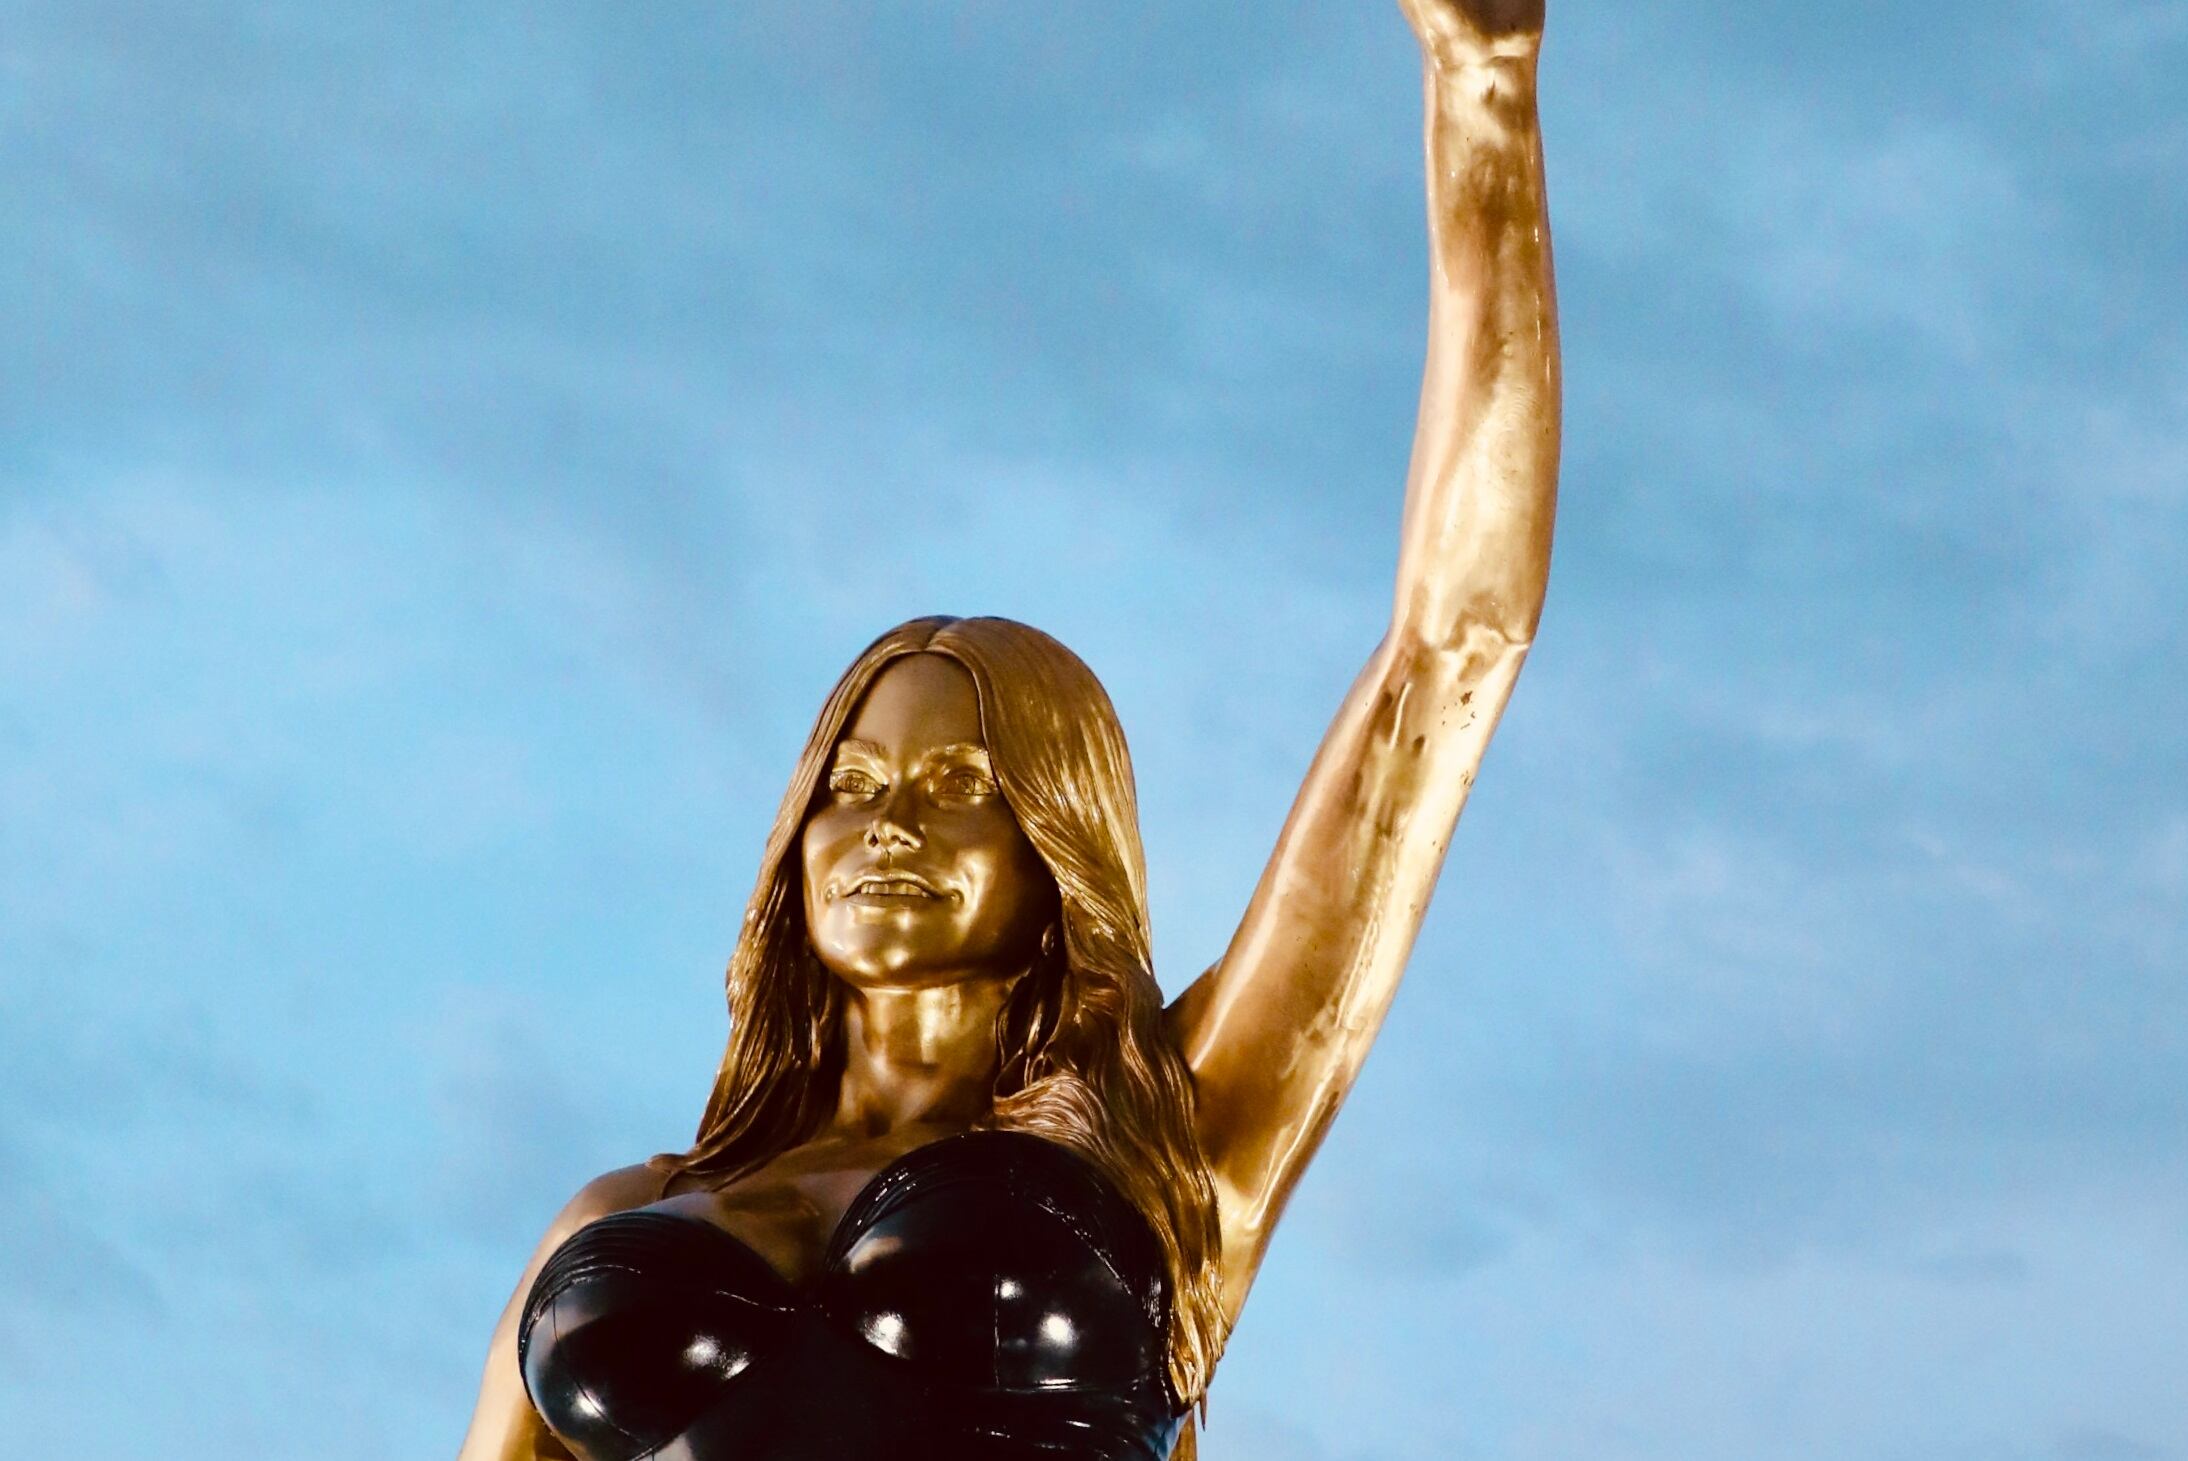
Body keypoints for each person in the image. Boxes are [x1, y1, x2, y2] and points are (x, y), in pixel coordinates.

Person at [456, 1, 1557, 1455]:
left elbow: (1451, 648)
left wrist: (1483, 86)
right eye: (850, 783)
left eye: (958, 782)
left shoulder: (1166, 1146)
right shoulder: (617, 1215)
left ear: (1058, 839)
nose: (889, 820)